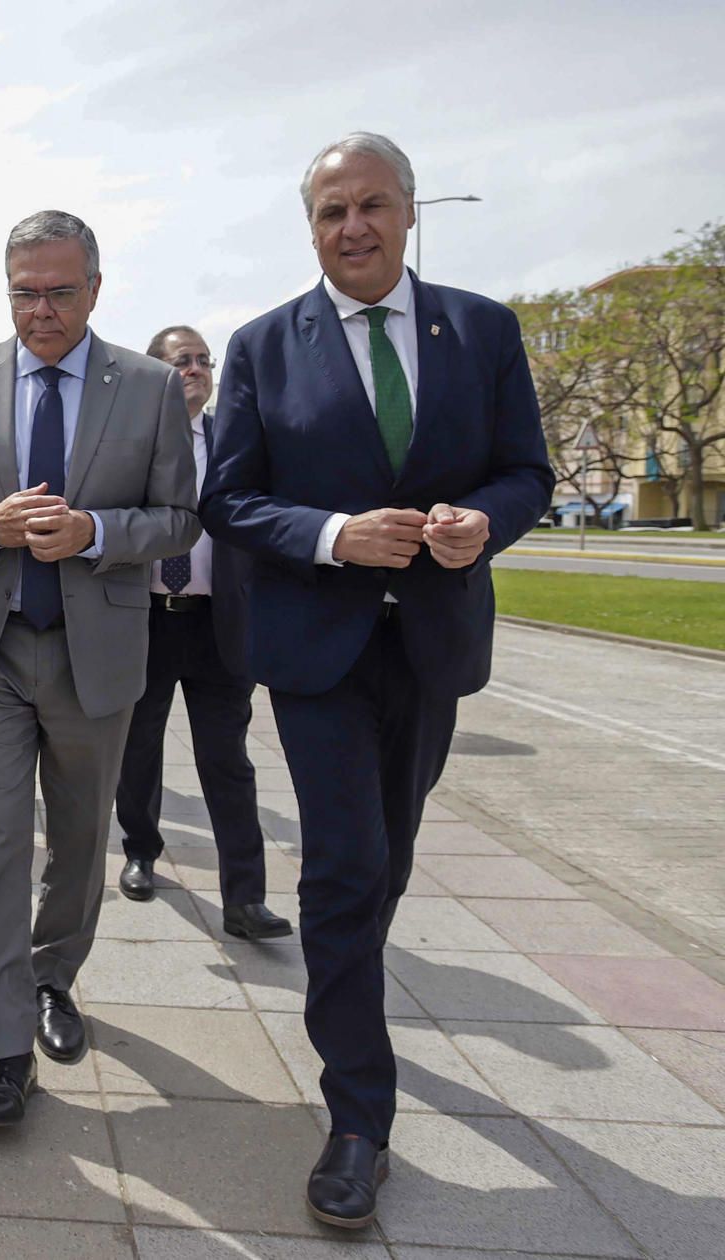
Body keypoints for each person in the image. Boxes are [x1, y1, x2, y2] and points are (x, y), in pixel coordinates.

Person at [200, 132, 552, 1228]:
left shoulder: (482, 330)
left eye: (371, 206)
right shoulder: (264, 345)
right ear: (309, 227)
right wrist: (334, 534)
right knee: (344, 867)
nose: (351, 226)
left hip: (434, 645)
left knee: (387, 858)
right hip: (317, 653)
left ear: (410, 213)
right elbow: (229, 498)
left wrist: (483, 523)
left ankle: (348, 987)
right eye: (330, 211)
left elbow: (527, 468)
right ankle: (360, 1117)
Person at [0, 211, 199, 1127]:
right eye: (24, 292)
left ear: (96, 289)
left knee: (79, 843)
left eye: (59, 292)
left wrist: (98, 534)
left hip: (96, 654)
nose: (41, 310)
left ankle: (51, 976)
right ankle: (5, 1050)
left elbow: (181, 519)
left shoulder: (151, 387)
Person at [113, 326, 292, 942]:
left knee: (228, 761)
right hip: (149, 618)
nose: (194, 369)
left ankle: (245, 897)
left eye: (201, 361)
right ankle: (140, 851)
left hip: (221, 624)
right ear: (156, 371)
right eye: (180, 361)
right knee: (138, 748)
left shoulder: (236, 440)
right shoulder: (130, 441)